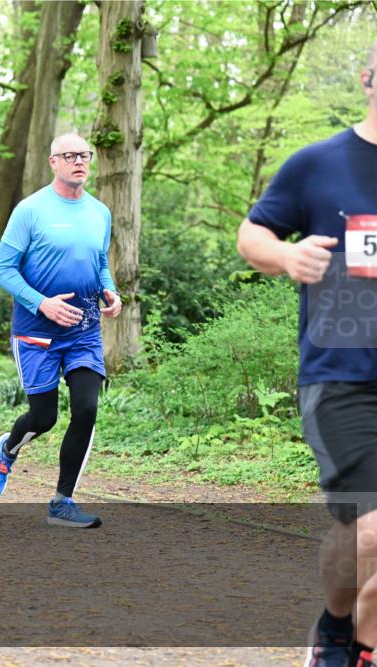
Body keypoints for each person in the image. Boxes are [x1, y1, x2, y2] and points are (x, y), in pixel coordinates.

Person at [237, 42, 377, 667]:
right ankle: (335, 626)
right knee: (368, 531)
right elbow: (253, 233)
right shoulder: (318, 164)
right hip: (341, 378)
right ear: (368, 79)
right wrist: (288, 258)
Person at [0, 133, 122, 529]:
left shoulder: (100, 212)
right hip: (36, 333)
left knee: (87, 409)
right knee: (43, 418)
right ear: (53, 161)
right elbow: (2, 269)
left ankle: (63, 501)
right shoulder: (30, 210)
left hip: (84, 330)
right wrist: (42, 303)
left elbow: (100, 264)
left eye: (85, 155)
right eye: (70, 155)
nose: (79, 161)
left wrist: (110, 290)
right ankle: (8, 449)